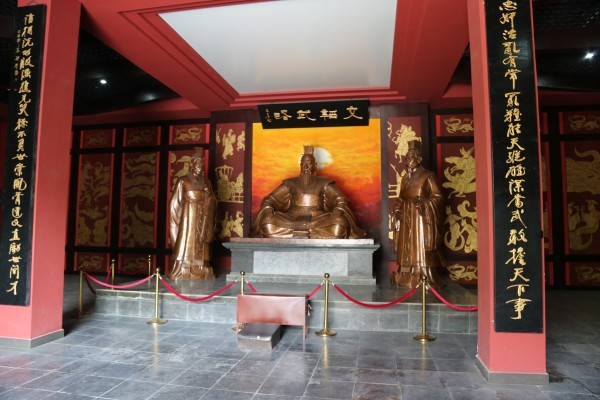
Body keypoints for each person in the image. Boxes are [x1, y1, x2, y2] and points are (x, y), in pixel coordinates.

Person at [250, 145, 366, 239]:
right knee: (267, 223)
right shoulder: (290, 183)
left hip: (318, 219)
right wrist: (268, 208)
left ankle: (303, 234)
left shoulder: (324, 183)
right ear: (300, 165)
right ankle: (308, 234)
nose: (306, 166)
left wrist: (338, 210)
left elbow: (341, 199)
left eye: (309, 163)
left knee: (339, 225)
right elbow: (270, 199)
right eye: (303, 163)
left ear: (314, 166)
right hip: (291, 218)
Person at [391, 139, 446, 289]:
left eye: (410, 158)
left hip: (420, 217)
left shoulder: (428, 176)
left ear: (419, 159)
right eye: (406, 158)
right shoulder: (405, 178)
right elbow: (401, 198)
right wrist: (398, 208)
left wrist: (424, 204)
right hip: (406, 216)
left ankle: (423, 275)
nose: (407, 161)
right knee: (406, 245)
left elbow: (438, 197)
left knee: (419, 245)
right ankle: (405, 274)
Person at [168, 151, 217, 280]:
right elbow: (175, 203)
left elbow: (213, 199)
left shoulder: (206, 182)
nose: (200, 166)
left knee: (202, 240)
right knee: (187, 238)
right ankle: (183, 266)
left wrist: (208, 196)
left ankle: (202, 267)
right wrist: (177, 220)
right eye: (198, 163)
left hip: (203, 214)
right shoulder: (183, 180)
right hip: (189, 214)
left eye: (202, 164)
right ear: (192, 164)